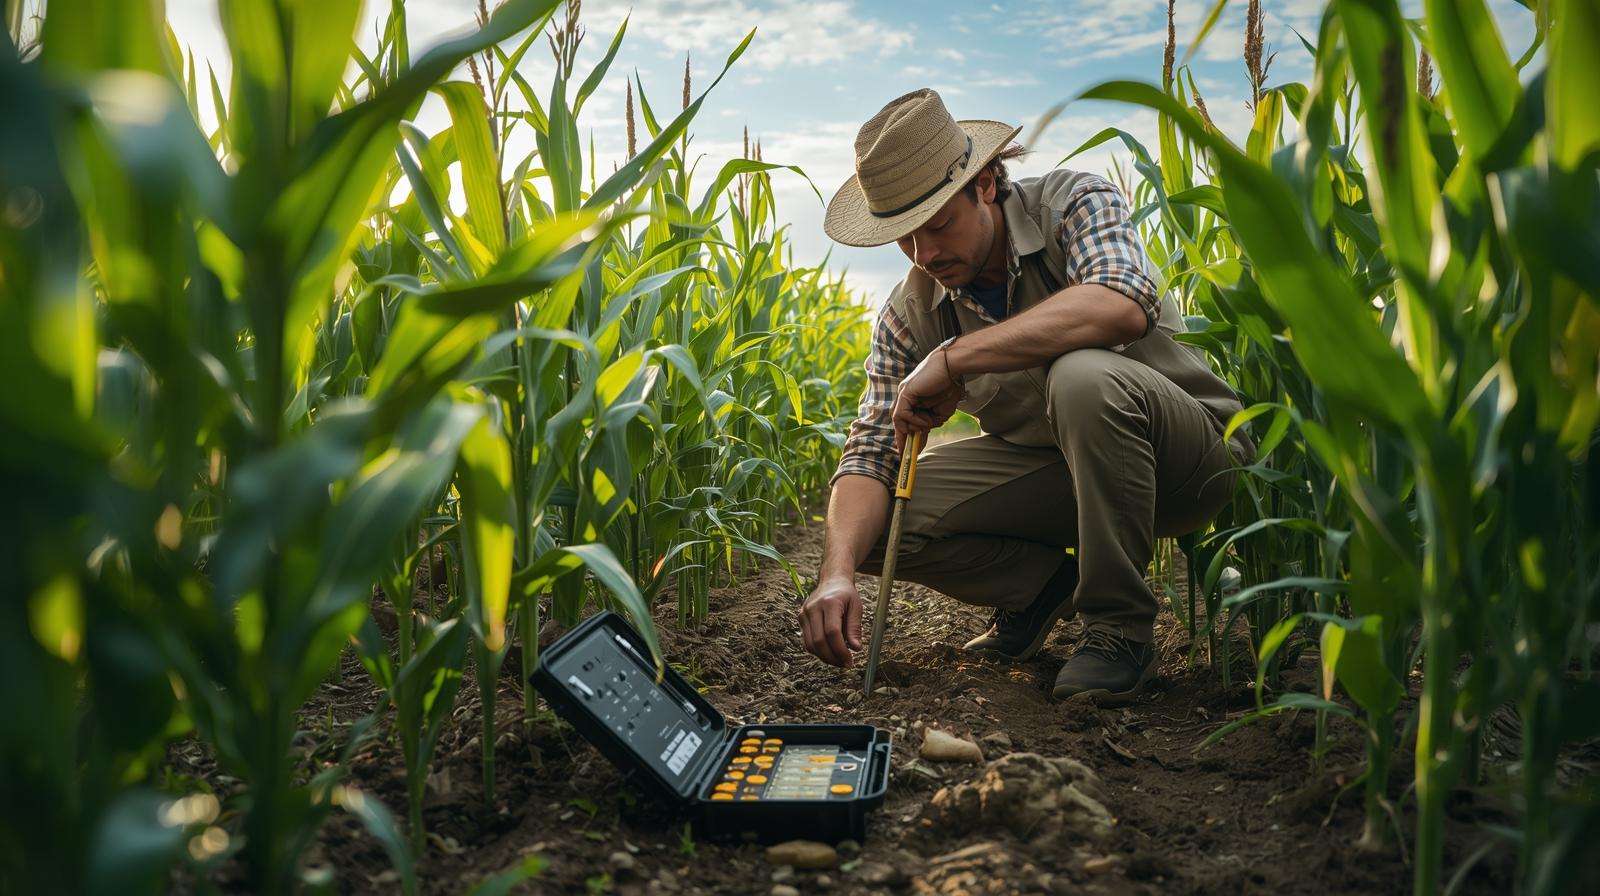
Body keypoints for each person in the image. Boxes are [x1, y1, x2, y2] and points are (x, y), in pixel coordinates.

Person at [797, 88, 1251, 706]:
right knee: (868, 525)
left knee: (1083, 375)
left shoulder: (1071, 203)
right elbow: (871, 451)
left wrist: (955, 357)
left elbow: (1119, 301)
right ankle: (1039, 590)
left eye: (937, 226)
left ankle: (1118, 627)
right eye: (905, 240)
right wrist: (836, 575)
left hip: (1187, 464)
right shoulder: (910, 313)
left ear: (985, 183)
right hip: (1066, 479)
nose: (925, 255)